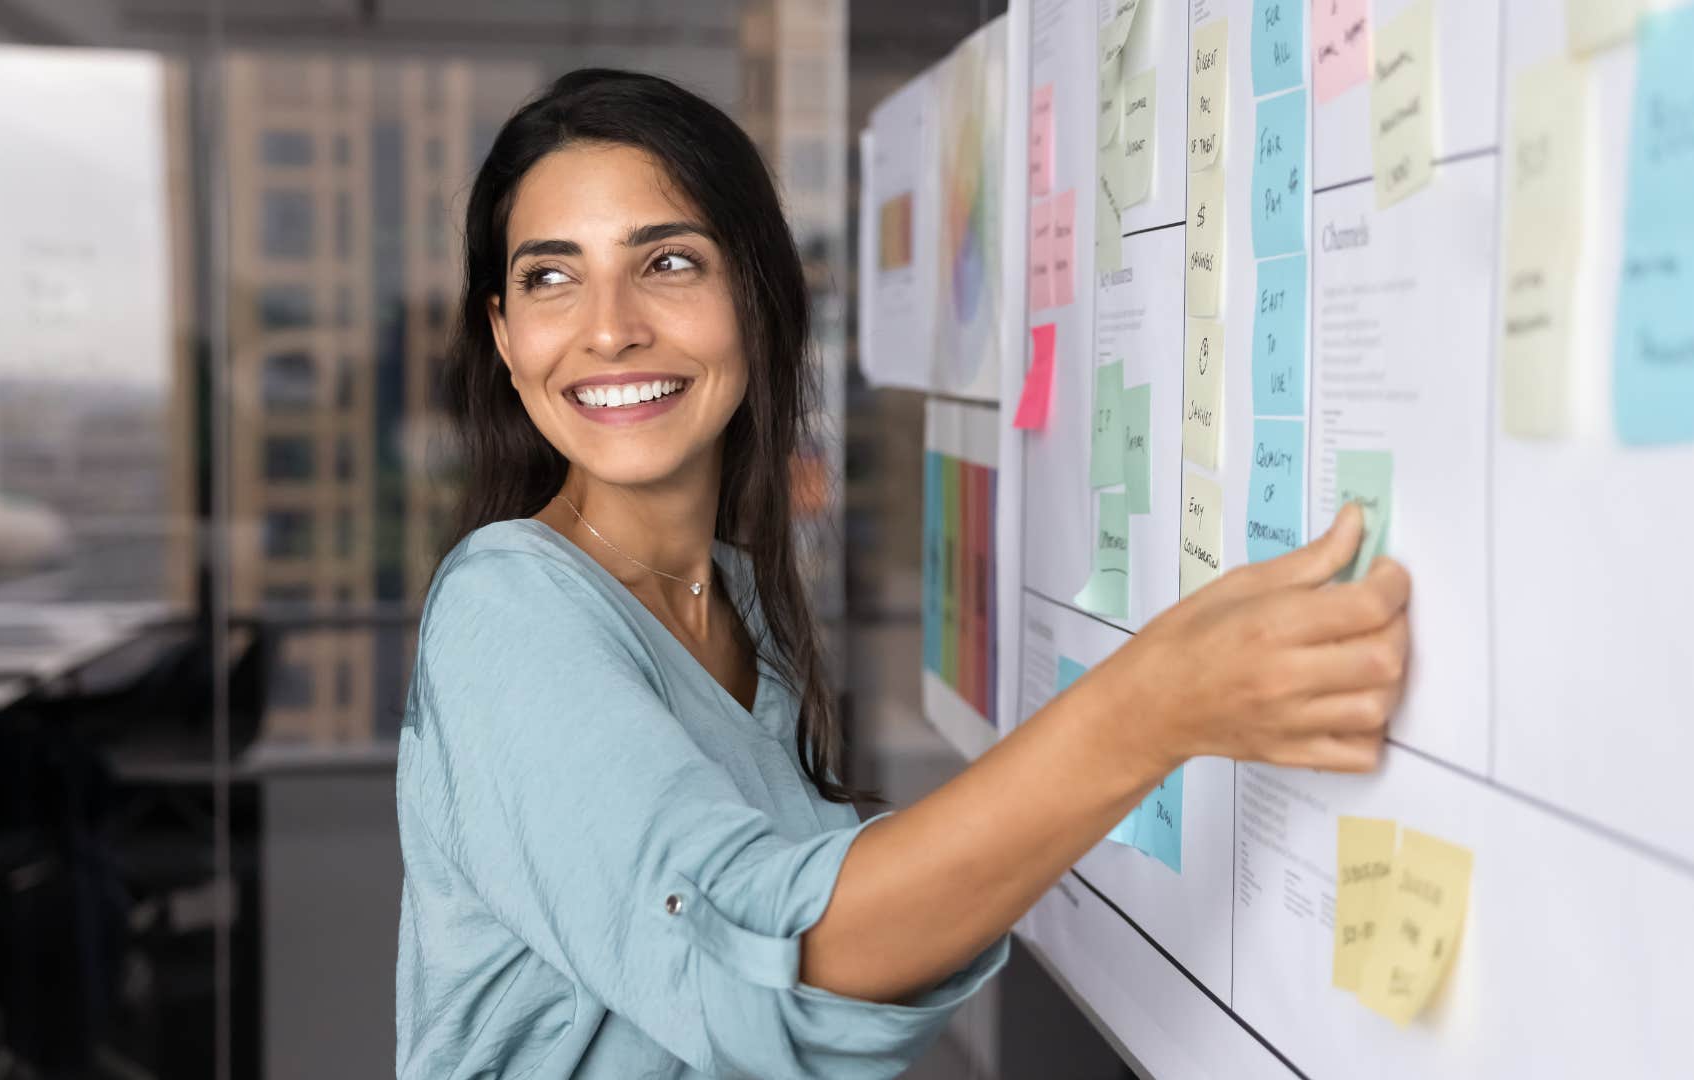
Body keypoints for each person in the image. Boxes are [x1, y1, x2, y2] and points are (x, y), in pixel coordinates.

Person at [395, 68, 1411, 1080]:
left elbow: (839, 948)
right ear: (503, 334)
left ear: (754, 298)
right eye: (551, 276)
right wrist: (1152, 710)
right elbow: (766, 966)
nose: (609, 327)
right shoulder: (507, 606)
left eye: (666, 262)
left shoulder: (739, 603)